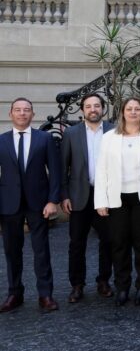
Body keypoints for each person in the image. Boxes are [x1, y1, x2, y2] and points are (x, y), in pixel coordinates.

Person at [95, 97, 140, 306]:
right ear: (123, 112)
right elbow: (101, 170)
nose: (133, 112)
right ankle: (122, 287)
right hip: (117, 198)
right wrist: (101, 201)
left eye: (137, 109)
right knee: (119, 244)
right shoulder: (109, 137)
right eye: (129, 109)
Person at [0, 97, 61, 313]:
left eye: (26, 110)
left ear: (32, 115)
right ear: (10, 114)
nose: (22, 113)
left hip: (39, 203)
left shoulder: (44, 139)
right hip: (8, 205)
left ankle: (45, 295)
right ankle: (14, 293)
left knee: (41, 250)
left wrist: (53, 200)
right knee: (12, 251)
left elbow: (55, 171)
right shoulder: (1, 140)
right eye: (18, 110)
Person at [60, 93, 114, 303]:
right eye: (88, 106)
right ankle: (77, 284)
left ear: (102, 108)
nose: (93, 109)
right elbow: (63, 166)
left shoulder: (113, 130)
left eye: (97, 106)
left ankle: (103, 281)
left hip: (107, 195)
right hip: (79, 195)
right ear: (83, 110)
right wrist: (64, 195)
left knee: (108, 240)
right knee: (76, 243)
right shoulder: (72, 133)